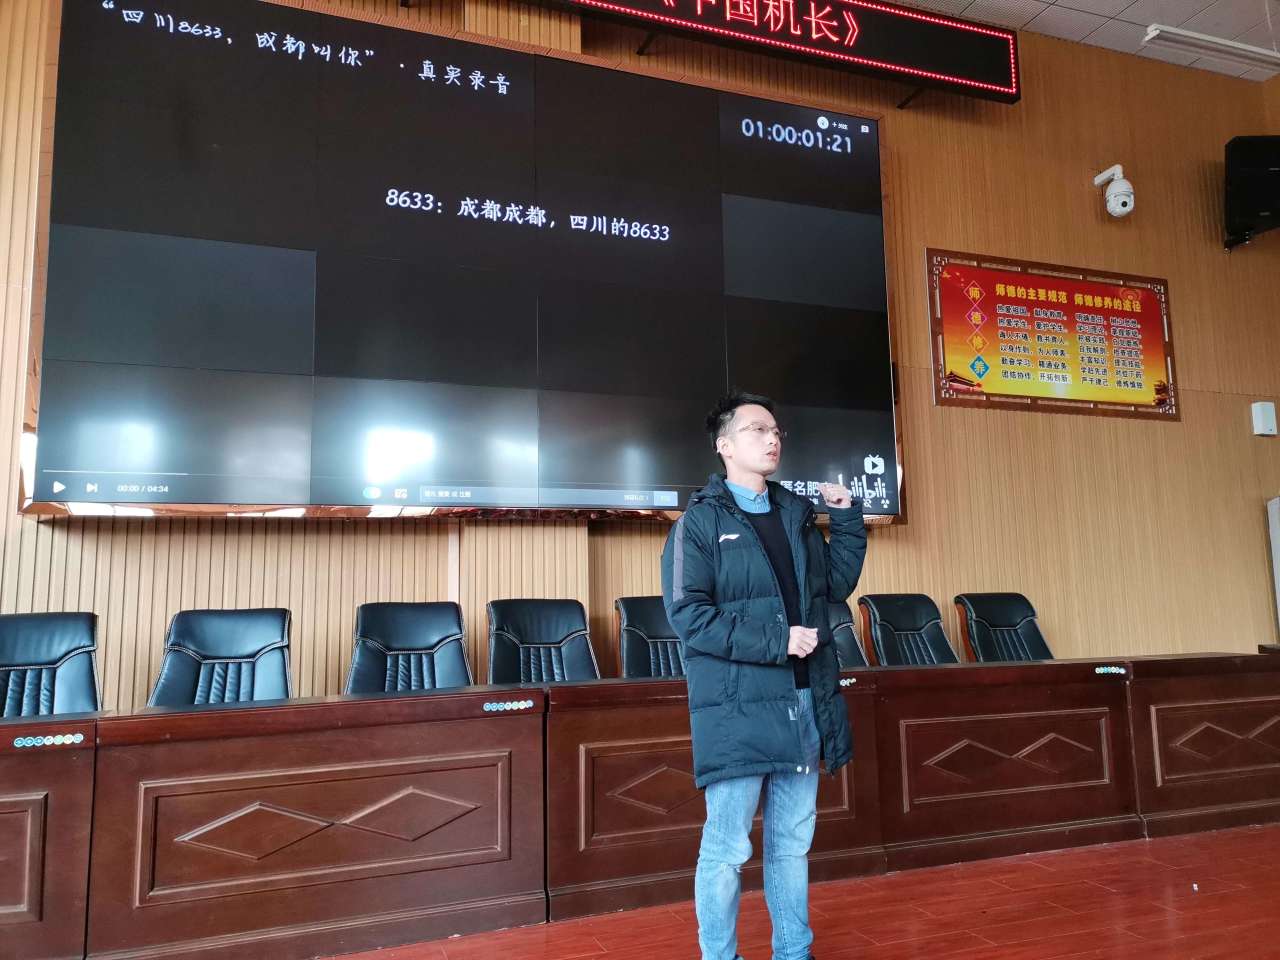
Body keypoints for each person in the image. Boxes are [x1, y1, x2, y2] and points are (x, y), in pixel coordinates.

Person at [661, 391, 868, 960]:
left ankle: (794, 952)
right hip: (738, 711)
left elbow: (832, 587)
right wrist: (777, 640)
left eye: (776, 431)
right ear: (724, 445)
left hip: (804, 702)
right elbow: (688, 616)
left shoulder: (796, 517)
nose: (773, 438)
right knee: (727, 850)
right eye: (757, 429)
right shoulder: (698, 524)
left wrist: (845, 519)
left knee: (791, 846)